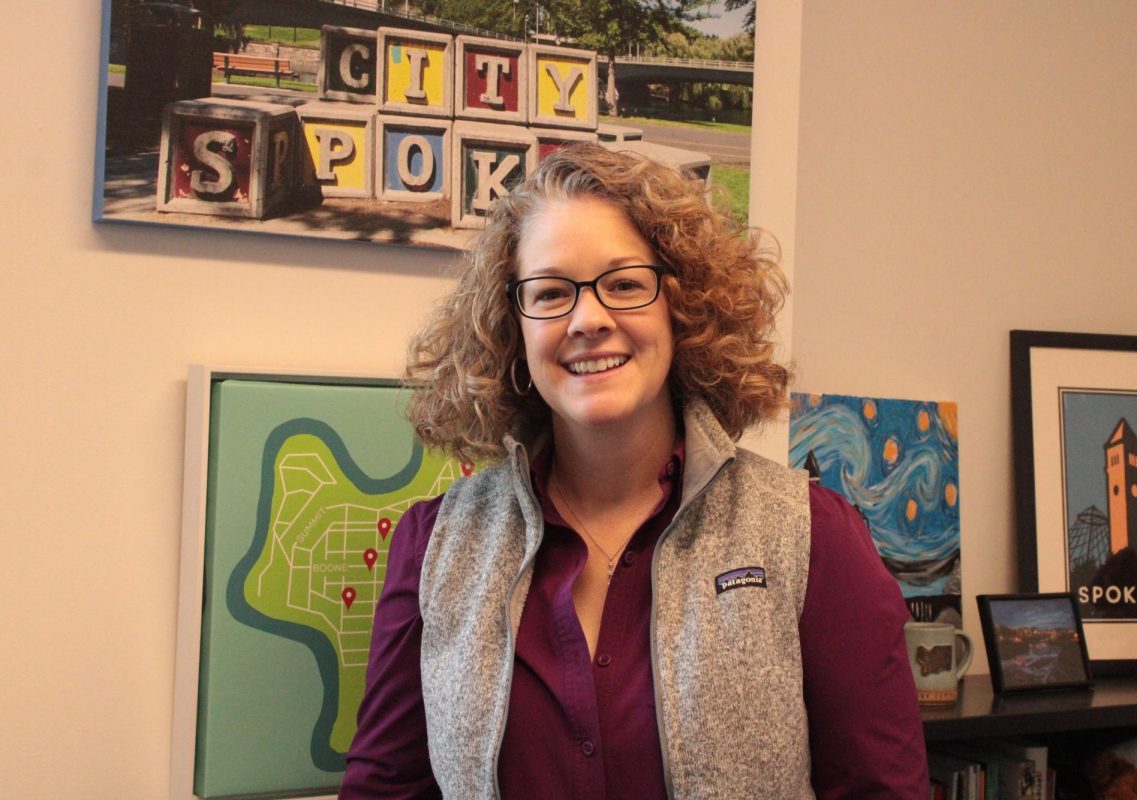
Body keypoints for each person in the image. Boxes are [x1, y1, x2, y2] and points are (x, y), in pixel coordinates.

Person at [339, 143, 929, 799]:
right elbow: (385, 790)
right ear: (513, 328)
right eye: (551, 292)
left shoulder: (812, 538)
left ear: (681, 306)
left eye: (624, 284)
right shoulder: (434, 548)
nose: (588, 319)